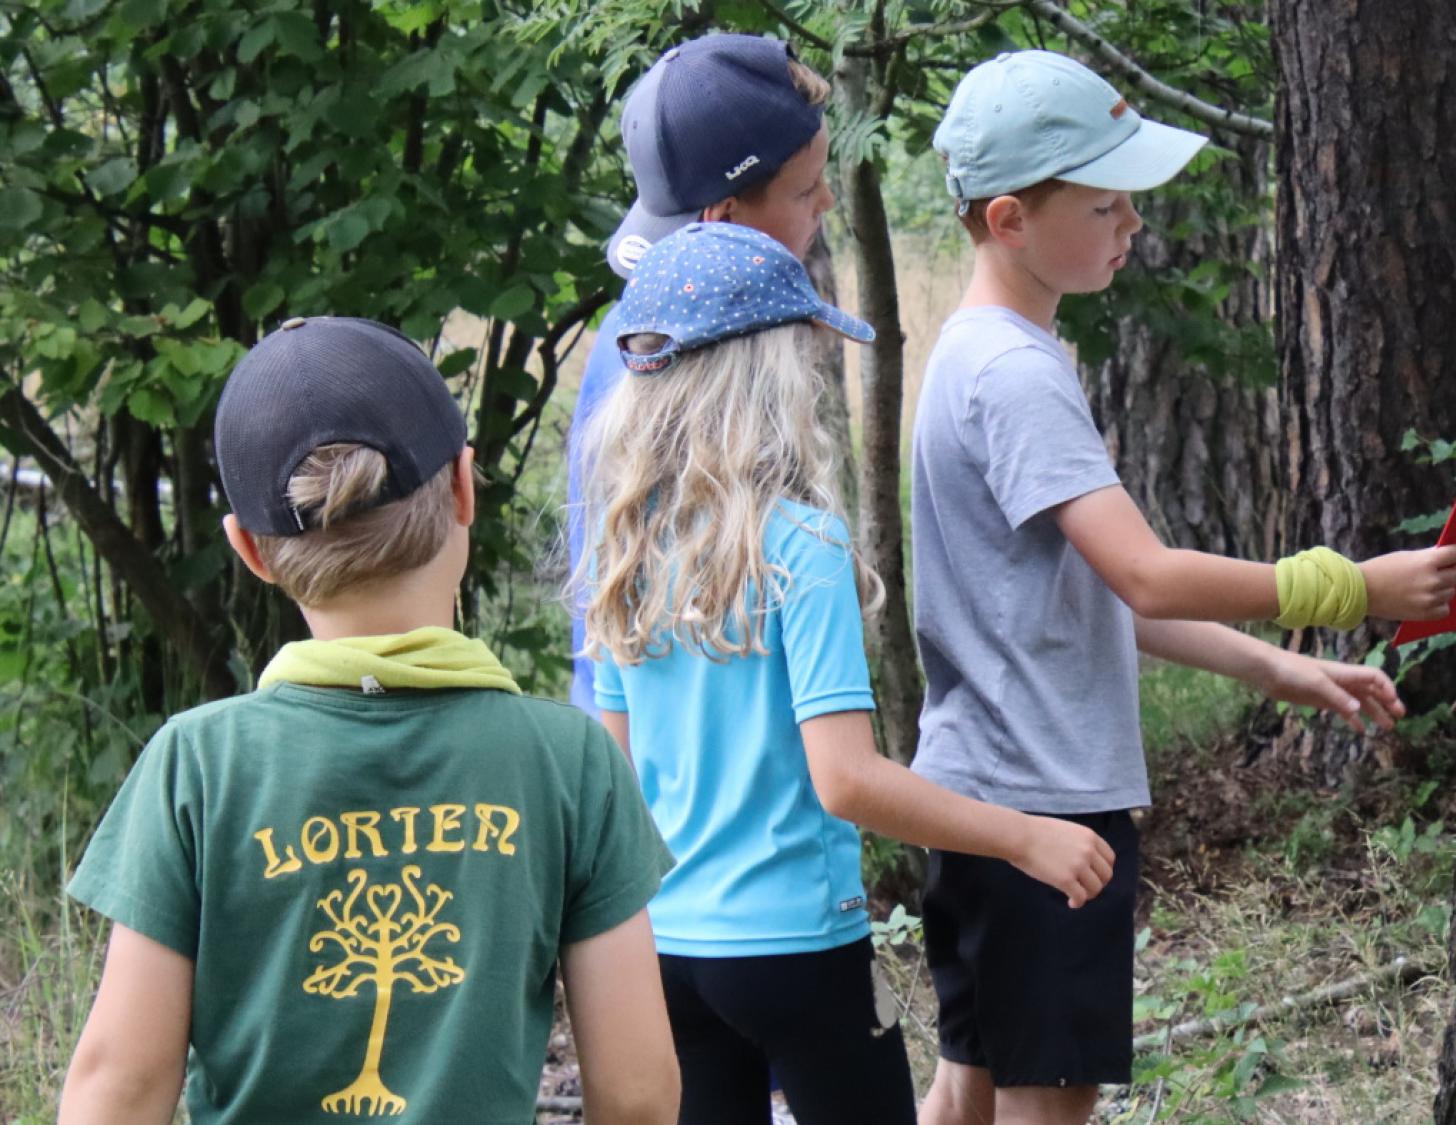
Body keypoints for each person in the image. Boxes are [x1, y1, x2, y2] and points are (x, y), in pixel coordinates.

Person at [910, 51, 1456, 1125]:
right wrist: (1345, 585)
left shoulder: (971, 353)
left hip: (978, 797)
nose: (1131, 227)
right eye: (1106, 205)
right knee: (1042, 1103)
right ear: (1010, 219)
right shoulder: (1019, 375)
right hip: (1049, 809)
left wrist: (1273, 667)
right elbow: (1146, 574)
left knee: (962, 1087)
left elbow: (1086, 599)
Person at [58, 316, 679, 1124]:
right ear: (464, 487)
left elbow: (121, 1086)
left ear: (250, 549)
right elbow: (636, 1091)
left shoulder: (197, 765)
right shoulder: (570, 759)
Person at [574, 222, 1117, 1125]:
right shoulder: (800, 544)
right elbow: (847, 779)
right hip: (799, 950)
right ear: (772, 372)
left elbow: (620, 786)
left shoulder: (623, 551)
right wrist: (1025, 837)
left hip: (669, 952)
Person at [570, 31, 837, 713]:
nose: (828, 202)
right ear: (725, 223)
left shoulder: (641, 332)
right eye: (807, 190)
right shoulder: (648, 362)